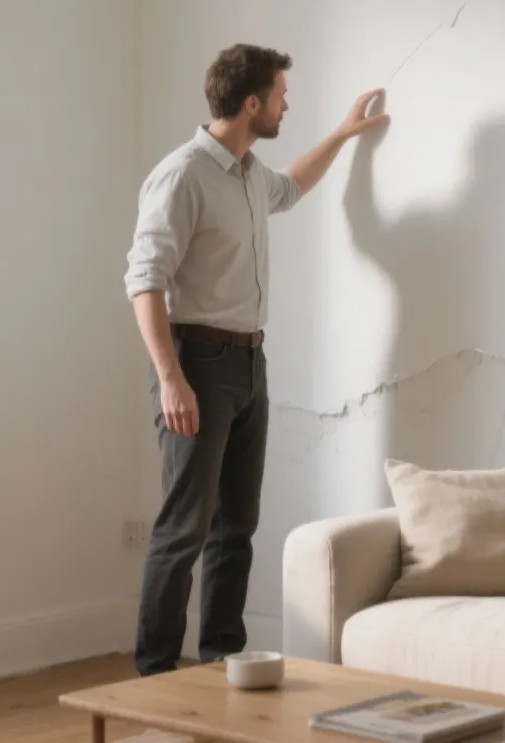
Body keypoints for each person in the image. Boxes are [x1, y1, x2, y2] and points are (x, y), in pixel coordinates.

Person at [124, 42, 387, 675]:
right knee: (184, 528)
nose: (285, 106)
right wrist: (171, 379)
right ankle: (154, 675)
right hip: (196, 364)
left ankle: (221, 663)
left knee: (235, 525)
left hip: (248, 364)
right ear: (251, 103)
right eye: (280, 96)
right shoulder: (183, 175)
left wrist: (342, 135)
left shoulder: (246, 173)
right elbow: (144, 281)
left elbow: (291, 187)